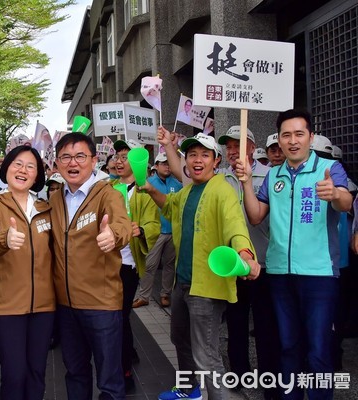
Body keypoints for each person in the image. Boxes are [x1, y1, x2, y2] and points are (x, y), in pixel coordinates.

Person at [235, 109, 352, 400]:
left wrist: (335, 194)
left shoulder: (328, 168)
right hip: (279, 275)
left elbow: (346, 202)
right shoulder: (274, 175)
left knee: (318, 349)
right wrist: (247, 182)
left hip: (319, 275)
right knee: (287, 346)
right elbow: (255, 215)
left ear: (310, 137)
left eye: (299, 134)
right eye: (286, 135)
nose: (293, 141)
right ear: (280, 140)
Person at [140, 132, 260, 400]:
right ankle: (189, 390)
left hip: (206, 287)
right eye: (192, 154)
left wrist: (246, 255)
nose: (197, 160)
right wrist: (150, 190)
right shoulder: (187, 190)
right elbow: (169, 206)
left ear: (216, 161)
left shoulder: (223, 190)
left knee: (206, 354)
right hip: (182, 283)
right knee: (179, 339)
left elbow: (235, 226)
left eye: (204, 155)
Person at [50, 133, 132, 399]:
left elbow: (121, 224)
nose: (73, 163)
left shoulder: (107, 194)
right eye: (66, 157)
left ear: (94, 160)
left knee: (109, 379)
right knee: (75, 373)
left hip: (101, 305)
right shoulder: (54, 198)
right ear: (57, 163)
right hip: (66, 305)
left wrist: (114, 235)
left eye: (80, 156)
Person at [0, 145, 55, 400]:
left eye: (30, 166)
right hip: (7, 307)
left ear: (37, 176)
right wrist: (4, 238)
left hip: (44, 306)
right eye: (17, 164)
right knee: (14, 373)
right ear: (7, 169)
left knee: (36, 372)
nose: (23, 170)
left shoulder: (47, 209)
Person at [217, 125, 281, 399]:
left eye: (238, 145)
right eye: (229, 146)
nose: (232, 151)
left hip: (266, 261)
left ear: (252, 148)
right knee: (236, 322)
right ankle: (239, 373)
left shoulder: (270, 175)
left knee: (267, 324)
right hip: (234, 264)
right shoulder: (219, 178)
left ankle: (269, 377)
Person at [111, 139, 161, 390]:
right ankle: (127, 351)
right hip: (106, 263)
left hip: (128, 264)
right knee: (115, 315)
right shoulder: (106, 188)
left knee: (119, 315)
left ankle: (125, 369)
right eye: (117, 156)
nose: (119, 161)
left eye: (125, 156)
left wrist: (140, 230)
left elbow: (154, 225)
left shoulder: (144, 191)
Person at [134, 152, 182, 309]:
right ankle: (144, 296)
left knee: (169, 265)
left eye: (169, 163)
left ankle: (165, 294)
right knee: (150, 264)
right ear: (156, 166)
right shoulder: (147, 183)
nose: (167, 166)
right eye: (163, 163)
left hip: (172, 231)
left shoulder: (177, 183)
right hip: (156, 232)